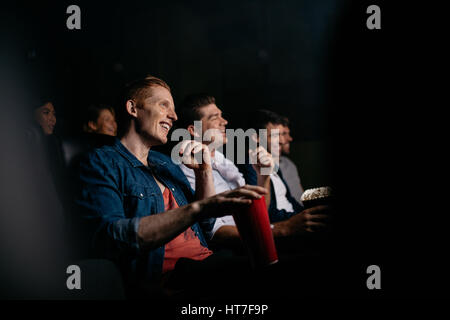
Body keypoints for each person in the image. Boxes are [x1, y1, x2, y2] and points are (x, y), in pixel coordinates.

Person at [74, 76, 267, 298]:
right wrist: (198, 208)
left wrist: (204, 171)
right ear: (133, 108)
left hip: (208, 262)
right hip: (169, 279)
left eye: (174, 109)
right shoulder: (102, 162)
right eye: (163, 105)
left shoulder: (165, 163)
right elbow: (110, 238)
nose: (174, 116)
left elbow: (206, 225)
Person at [176, 95, 330, 249]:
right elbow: (215, 233)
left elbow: (258, 211)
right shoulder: (189, 170)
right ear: (194, 130)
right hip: (244, 248)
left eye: (221, 116)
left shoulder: (223, 160)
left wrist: (264, 177)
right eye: (215, 117)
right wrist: (285, 228)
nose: (224, 122)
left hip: (262, 236)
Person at [279, 117, 305, 204]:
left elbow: (300, 192)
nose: (290, 138)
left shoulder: (289, 163)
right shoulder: (266, 169)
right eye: (284, 134)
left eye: (288, 133)